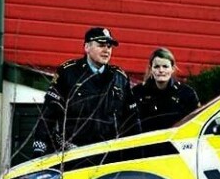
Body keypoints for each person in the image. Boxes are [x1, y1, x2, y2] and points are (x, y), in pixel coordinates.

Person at [32, 27, 141, 155]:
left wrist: (137, 152)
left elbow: (132, 121)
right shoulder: (68, 73)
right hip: (72, 153)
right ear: (87, 47)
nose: (106, 50)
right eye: (101, 45)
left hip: (109, 155)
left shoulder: (119, 78)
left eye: (109, 46)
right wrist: (39, 148)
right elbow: (48, 114)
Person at [132, 47, 200, 132]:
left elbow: (195, 124)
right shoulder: (138, 92)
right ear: (151, 69)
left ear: (172, 69)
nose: (161, 70)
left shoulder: (186, 93)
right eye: (157, 67)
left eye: (165, 66)